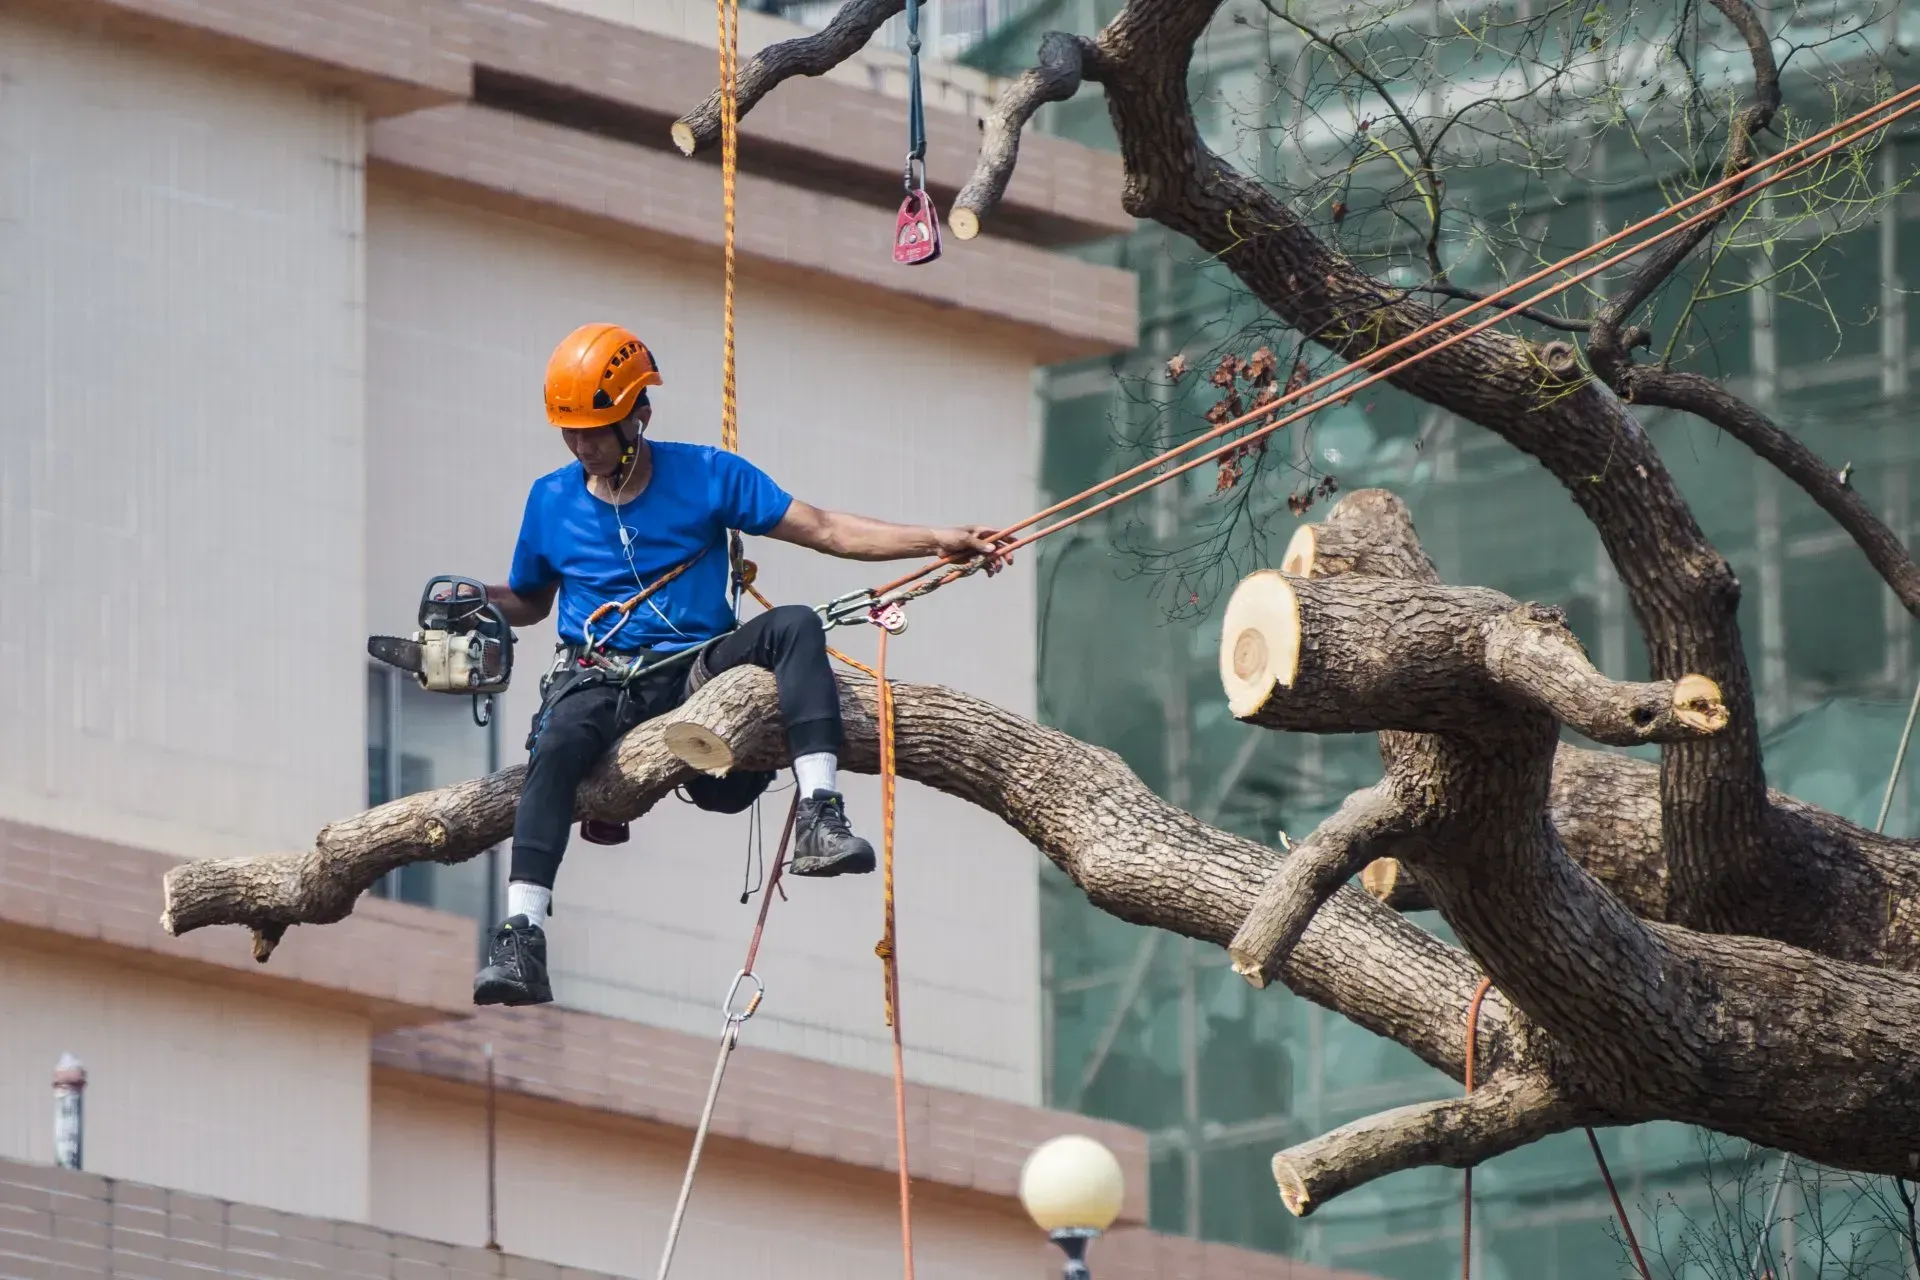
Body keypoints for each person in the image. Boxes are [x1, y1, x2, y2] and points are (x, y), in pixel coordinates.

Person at [469, 323, 1010, 1007]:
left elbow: (826, 529)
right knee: (555, 745)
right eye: (570, 433)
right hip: (601, 676)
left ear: (640, 415)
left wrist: (936, 540)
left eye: (597, 430)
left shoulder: (705, 476)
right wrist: (476, 599)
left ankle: (821, 814)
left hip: (697, 669)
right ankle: (523, 936)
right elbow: (531, 601)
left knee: (794, 625)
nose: (583, 446)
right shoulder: (550, 500)